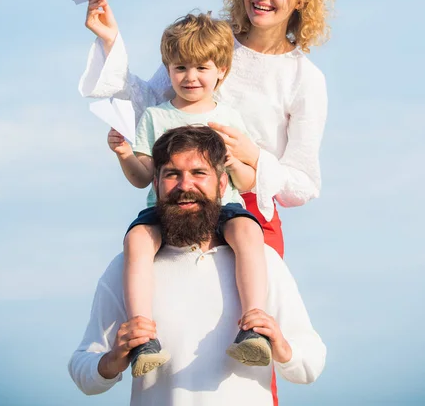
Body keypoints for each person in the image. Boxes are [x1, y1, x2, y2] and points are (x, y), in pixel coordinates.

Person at [80, 0, 333, 259]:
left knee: (265, 303)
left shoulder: (306, 78)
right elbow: (152, 103)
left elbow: (304, 182)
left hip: (248, 210)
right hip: (181, 200)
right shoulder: (212, 41)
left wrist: (252, 156)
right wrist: (109, 42)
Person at [68, 126, 326, 406]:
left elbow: (311, 364)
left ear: (222, 185)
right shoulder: (128, 267)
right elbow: (83, 370)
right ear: (156, 184)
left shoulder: (261, 261)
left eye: (199, 173)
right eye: (172, 174)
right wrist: (111, 361)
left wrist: (282, 347)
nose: (185, 185)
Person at [110, 13, 270, 377]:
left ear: (222, 71)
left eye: (201, 67)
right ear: (167, 70)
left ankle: (254, 324)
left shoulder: (230, 118)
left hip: (219, 207)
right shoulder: (154, 117)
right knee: (136, 239)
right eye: (180, 67)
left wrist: (235, 161)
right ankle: (142, 335)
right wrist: (123, 155)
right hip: (164, 210)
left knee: (249, 232)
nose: (190, 77)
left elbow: (244, 183)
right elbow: (142, 179)